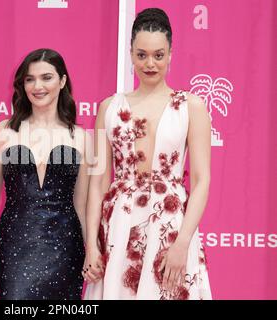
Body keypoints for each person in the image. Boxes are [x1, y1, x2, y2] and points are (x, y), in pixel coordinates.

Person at [83, 8, 212, 300]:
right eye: (142, 55)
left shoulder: (192, 106)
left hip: (173, 227)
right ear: (130, 53)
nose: (150, 63)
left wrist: (182, 243)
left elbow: (202, 181)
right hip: (119, 226)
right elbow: (97, 182)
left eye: (158, 55)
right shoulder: (109, 108)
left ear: (170, 54)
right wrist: (92, 243)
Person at [0, 48, 90, 299]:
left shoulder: (81, 138)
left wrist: (93, 252)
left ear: (62, 81)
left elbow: (81, 205)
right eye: (30, 79)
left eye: (46, 77)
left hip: (65, 249)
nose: (37, 86)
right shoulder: (4, 132)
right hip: (15, 248)